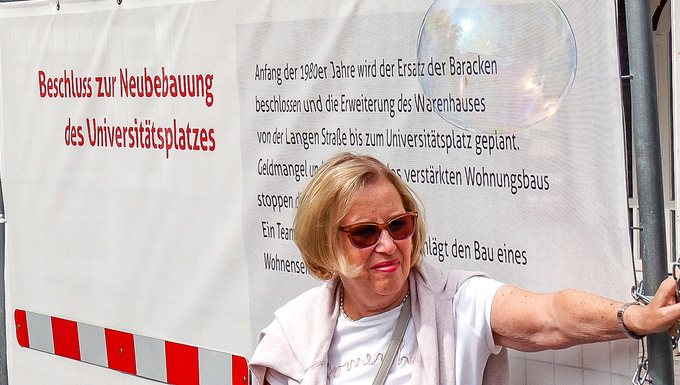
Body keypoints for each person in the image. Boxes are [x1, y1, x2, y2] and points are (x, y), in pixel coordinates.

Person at [250, 152, 680, 385]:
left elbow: (549, 316)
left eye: (399, 225)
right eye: (364, 233)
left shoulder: (456, 301)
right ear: (326, 241)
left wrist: (634, 317)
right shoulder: (292, 334)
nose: (388, 245)